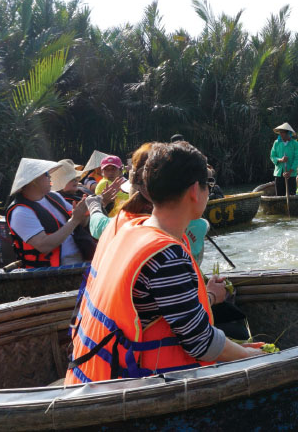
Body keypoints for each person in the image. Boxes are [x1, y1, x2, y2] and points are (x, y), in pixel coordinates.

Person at [65, 142, 265, 385]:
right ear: (194, 190)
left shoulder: (131, 228)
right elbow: (201, 343)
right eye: (208, 186)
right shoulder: (166, 257)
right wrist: (252, 355)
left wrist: (239, 349)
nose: (208, 192)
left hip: (97, 378)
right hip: (128, 389)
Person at [6, 158, 89, 267]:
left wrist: (83, 214)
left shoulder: (55, 196)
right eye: (46, 174)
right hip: (56, 268)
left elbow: (82, 222)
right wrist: (74, 220)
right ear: (34, 181)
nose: (50, 177)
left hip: (81, 254)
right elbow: (44, 246)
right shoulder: (20, 212)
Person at [271, 123, 298, 196]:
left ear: (288, 133)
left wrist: (290, 172)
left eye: (283, 132)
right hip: (279, 172)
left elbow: (296, 159)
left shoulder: (295, 144)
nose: (281, 134)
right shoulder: (276, 143)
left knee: (291, 194)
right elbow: (272, 156)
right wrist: (280, 160)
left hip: (291, 173)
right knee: (279, 195)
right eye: (280, 132)